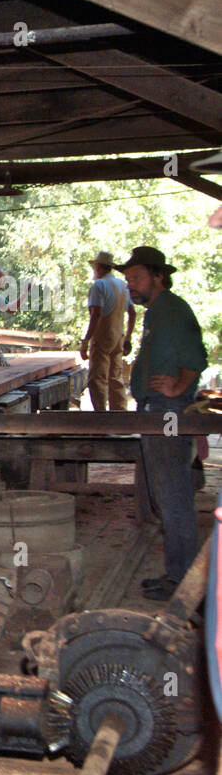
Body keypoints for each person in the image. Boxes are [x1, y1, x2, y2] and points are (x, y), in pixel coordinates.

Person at [122, 246, 208, 601]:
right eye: (128, 281)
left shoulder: (172, 311)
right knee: (169, 493)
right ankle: (180, 574)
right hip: (157, 408)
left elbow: (195, 359)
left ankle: (186, 582)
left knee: (173, 495)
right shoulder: (157, 313)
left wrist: (178, 386)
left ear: (159, 277)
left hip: (168, 411)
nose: (132, 286)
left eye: (138, 278)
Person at [79, 250, 133, 411]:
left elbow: (96, 314)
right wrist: (128, 338)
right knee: (115, 378)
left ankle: (101, 420)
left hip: (102, 337)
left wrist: (86, 340)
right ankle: (120, 419)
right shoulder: (123, 286)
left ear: (97, 266)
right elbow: (132, 313)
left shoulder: (99, 285)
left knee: (98, 379)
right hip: (118, 337)